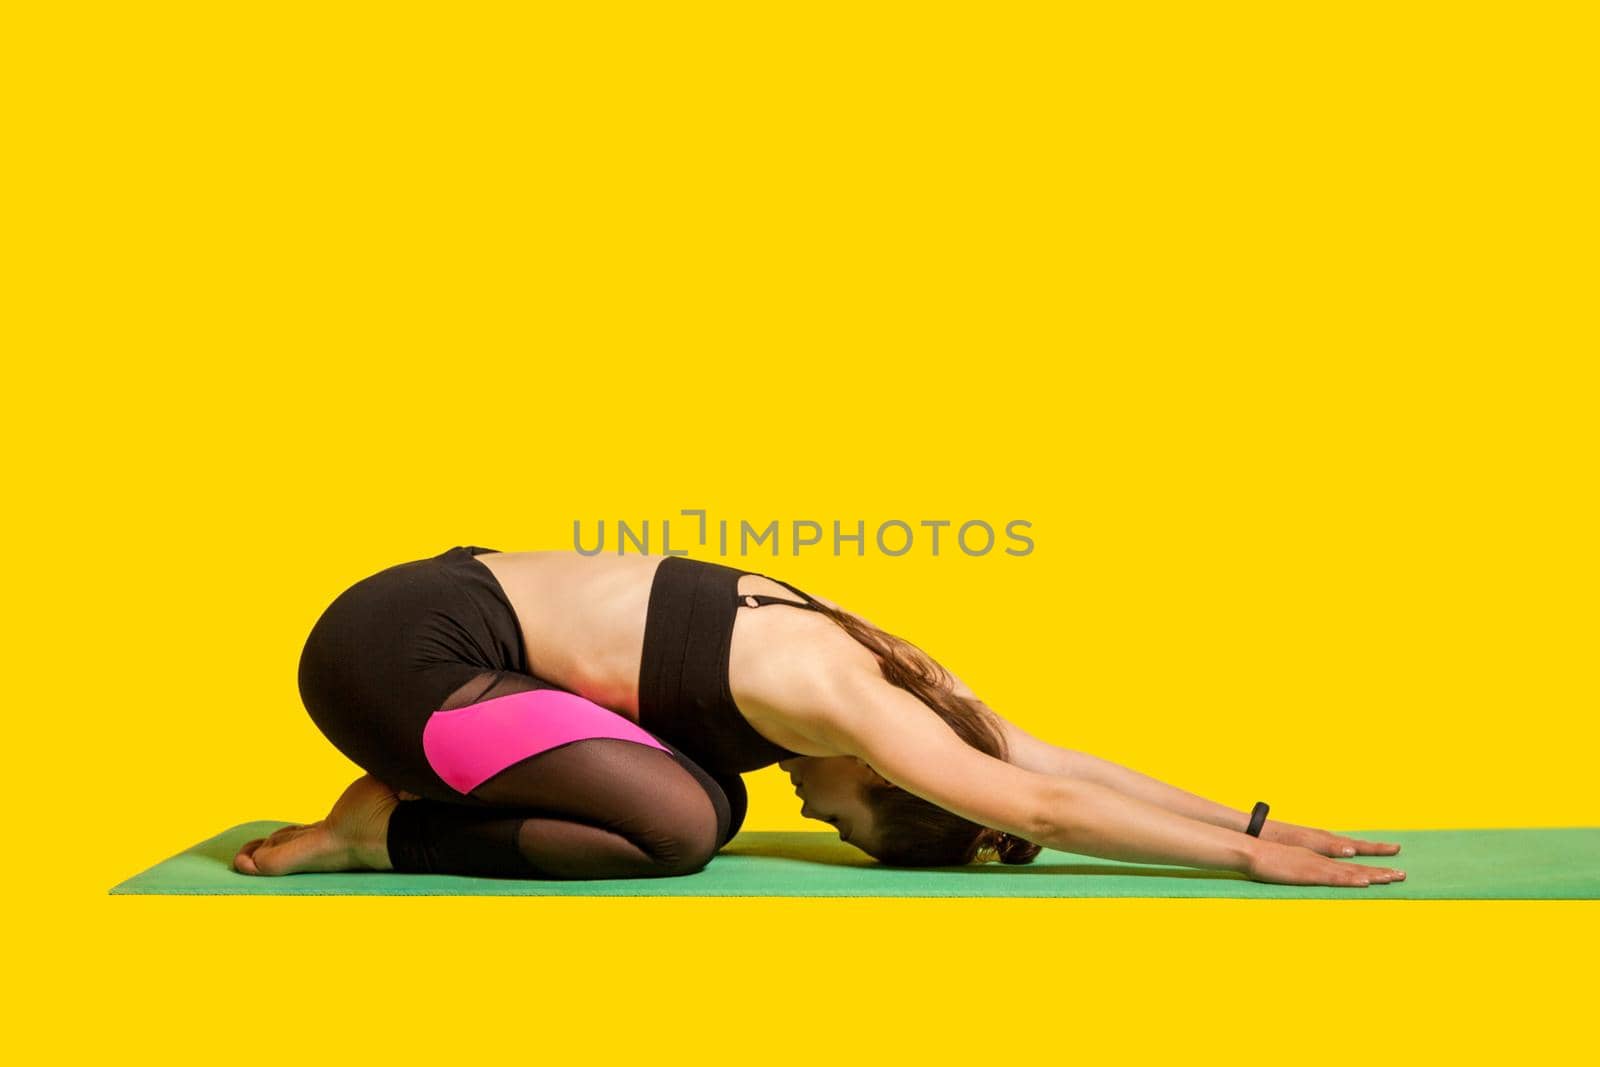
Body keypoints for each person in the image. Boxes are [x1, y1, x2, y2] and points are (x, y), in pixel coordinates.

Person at [234, 546, 1406, 887]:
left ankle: (399, 812)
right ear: (896, 773)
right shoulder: (837, 697)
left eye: (835, 830)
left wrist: (1261, 815)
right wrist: (1253, 862)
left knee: (712, 797)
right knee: (686, 826)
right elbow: (1037, 795)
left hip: (426, 623)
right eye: (850, 822)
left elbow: (1040, 751)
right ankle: (374, 832)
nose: (819, 807)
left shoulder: (898, 682)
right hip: (394, 657)